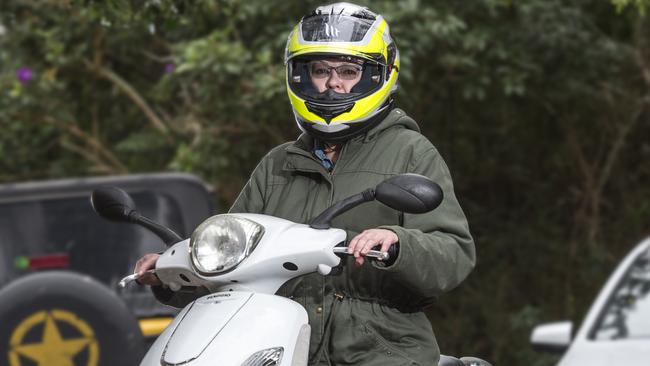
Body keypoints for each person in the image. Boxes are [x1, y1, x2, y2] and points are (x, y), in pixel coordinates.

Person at [135, 3, 475, 365]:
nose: (332, 83)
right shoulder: (277, 164)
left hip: (381, 347)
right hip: (278, 340)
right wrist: (173, 276)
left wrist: (398, 244)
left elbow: (453, 253)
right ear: (299, 75)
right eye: (319, 70)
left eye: (348, 71)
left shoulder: (410, 151)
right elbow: (231, 263)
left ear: (378, 75)